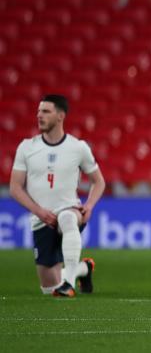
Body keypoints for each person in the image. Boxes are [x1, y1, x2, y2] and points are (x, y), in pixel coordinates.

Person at [9, 94, 105, 297]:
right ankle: (83, 269)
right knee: (48, 289)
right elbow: (15, 188)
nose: (39, 116)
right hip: (40, 219)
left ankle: (69, 284)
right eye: (38, 111)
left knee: (67, 217)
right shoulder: (26, 147)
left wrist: (88, 206)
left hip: (70, 209)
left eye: (45, 111)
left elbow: (99, 181)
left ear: (60, 116)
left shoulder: (78, 147)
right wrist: (40, 212)